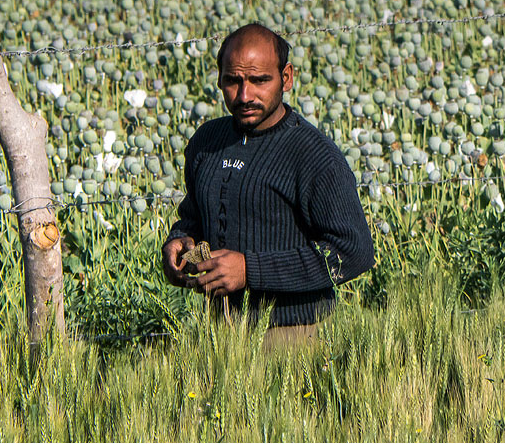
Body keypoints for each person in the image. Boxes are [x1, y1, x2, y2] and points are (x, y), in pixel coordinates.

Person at [161, 23, 375, 342]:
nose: (245, 95)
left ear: (286, 77)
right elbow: (194, 216)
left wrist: (250, 270)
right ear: (219, 79)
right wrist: (180, 240)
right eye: (233, 81)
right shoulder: (207, 142)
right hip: (219, 332)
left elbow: (354, 250)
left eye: (260, 80)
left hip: (293, 335)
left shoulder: (313, 155)